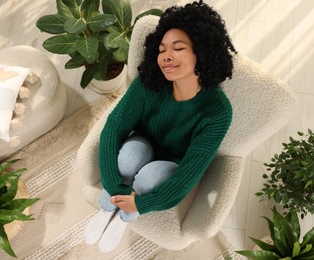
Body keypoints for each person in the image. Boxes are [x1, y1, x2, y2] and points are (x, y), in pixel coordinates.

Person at [84, 0, 237, 252]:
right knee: (128, 159)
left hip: (173, 160)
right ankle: (108, 206)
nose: (166, 56)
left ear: (201, 52)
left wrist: (140, 206)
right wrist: (111, 184)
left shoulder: (218, 112)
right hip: (143, 140)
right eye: (162, 48)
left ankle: (125, 216)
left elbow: (190, 173)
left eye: (178, 48)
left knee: (149, 178)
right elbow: (114, 127)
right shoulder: (149, 82)